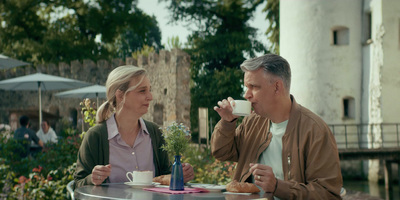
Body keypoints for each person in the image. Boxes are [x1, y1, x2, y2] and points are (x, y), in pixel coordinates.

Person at [211, 54, 342, 199]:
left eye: (253, 87)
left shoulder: (315, 130)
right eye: (246, 87)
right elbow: (220, 152)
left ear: (277, 87)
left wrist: (277, 186)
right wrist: (227, 122)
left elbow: (327, 194)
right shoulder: (252, 122)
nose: (246, 94)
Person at [74, 65, 195, 188]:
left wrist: (180, 175)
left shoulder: (154, 132)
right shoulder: (96, 136)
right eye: (142, 91)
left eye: (149, 90)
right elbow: (78, 185)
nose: (150, 97)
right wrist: (92, 179)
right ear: (120, 96)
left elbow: (166, 175)